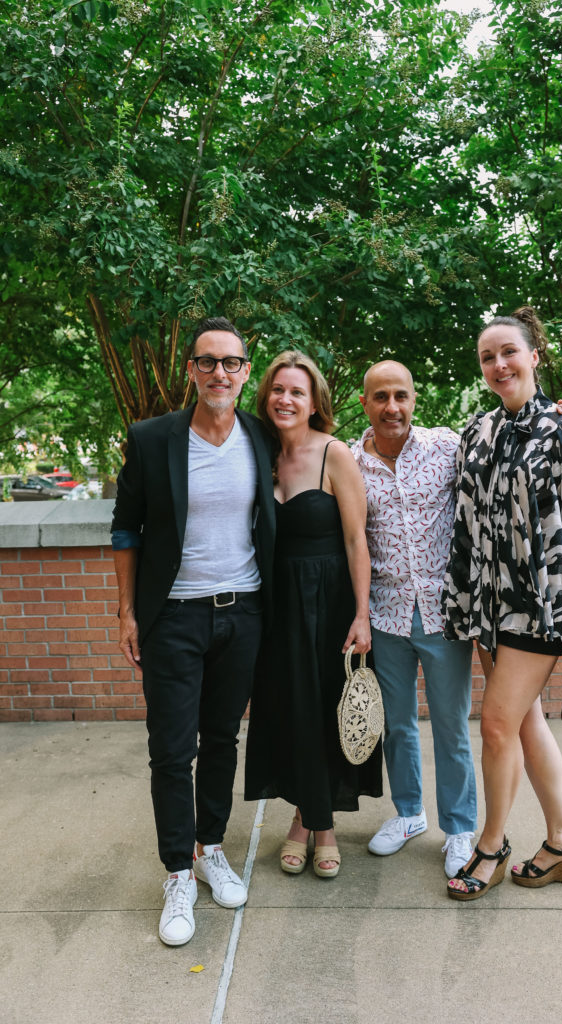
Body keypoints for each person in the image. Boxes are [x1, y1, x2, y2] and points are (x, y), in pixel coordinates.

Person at [442, 306, 562, 901]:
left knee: (495, 724)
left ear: (535, 356)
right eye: (488, 357)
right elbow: (467, 523)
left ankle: (489, 845)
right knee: (524, 721)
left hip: (542, 606)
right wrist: (464, 600)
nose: (498, 364)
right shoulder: (478, 432)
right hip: (491, 607)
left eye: (509, 352)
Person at [111, 317, 275, 945]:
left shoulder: (261, 437)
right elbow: (126, 529)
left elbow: (333, 447)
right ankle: (177, 872)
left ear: (244, 371)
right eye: (207, 362)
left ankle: (210, 851)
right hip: (174, 616)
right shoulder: (153, 439)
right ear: (191, 371)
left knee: (222, 740)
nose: (219, 373)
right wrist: (127, 611)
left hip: (244, 613)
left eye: (231, 363)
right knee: (172, 751)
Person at [245, 351, 382, 878]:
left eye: (297, 392)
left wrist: (362, 614)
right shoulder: (259, 453)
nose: (286, 399)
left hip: (329, 601)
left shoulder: (335, 454)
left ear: (314, 401)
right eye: (279, 390)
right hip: (275, 604)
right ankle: (308, 817)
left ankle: (316, 828)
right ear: (267, 396)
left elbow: (356, 538)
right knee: (290, 709)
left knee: (325, 707)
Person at [352, 361, 478, 878]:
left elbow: (506, 443)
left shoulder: (447, 446)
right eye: (380, 397)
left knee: (451, 725)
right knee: (397, 726)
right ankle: (408, 815)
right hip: (386, 614)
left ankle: (460, 826)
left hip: (444, 615)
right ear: (365, 404)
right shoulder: (349, 460)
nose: (392, 407)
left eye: (400, 395)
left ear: (414, 399)